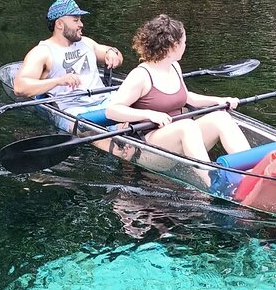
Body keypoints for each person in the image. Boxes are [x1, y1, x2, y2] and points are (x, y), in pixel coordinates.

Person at [105, 14, 250, 185]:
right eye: (184, 42)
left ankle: (250, 174)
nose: (186, 46)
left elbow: (187, 97)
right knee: (186, 125)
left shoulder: (174, 66)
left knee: (221, 117)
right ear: (174, 46)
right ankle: (212, 183)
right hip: (149, 147)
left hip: (180, 138)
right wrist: (150, 114)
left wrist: (218, 100)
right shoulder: (141, 75)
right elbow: (112, 110)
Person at [13, 0, 124, 115]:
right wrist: (58, 81)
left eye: (80, 20)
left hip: (106, 101)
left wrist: (113, 53)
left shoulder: (86, 42)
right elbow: (20, 87)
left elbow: (115, 54)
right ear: (59, 24)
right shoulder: (42, 52)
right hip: (74, 110)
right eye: (76, 20)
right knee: (88, 132)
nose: (81, 24)